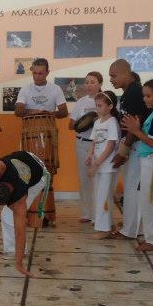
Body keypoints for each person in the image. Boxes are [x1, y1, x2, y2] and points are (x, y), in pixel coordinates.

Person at [0, 151, 49, 277]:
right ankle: (12, 249)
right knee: (7, 216)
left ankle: (13, 251)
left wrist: (19, 264)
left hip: (40, 175)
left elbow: (20, 233)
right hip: (26, 159)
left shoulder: (18, 202)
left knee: (7, 216)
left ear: (8, 202)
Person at [121, 79, 153, 252]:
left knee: (148, 199)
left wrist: (135, 130)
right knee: (145, 198)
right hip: (149, 159)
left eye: (148, 96)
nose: (145, 99)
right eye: (144, 96)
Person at [15, 58, 68, 225]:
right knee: (31, 173)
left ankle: (47, 214)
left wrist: (50, 113)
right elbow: (18, 110)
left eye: (41, 73)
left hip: (48, 135)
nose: (37, 76)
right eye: (35, 73)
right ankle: (32, 214)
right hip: (30, 136)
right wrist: (34, 111)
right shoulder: (26, 89)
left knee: (47, 173)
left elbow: (64, 111)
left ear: (47, 72)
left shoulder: (55, 89)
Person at [108, 60, 149, 240]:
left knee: (132, 188)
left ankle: (130, 230)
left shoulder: (135, 92)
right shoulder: (127, 93)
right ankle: (136, 227)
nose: (111, 80)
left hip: (137, 145)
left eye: (114, 76)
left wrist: (123, 152)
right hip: (131, 144)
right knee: (133, 187)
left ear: (126, 73)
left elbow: (135, 124)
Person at [68, 71, 102, 223]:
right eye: (87, 82)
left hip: (99, 145)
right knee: (84, 179)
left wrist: (96, 120)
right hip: (82, 143)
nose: (89, 85)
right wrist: (83, 122)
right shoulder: (81, 102)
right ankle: (86, 213)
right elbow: (71, 125)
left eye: (93, 82)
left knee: (98, 180)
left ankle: (98, 215)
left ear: (100, 84)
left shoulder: (105, 99)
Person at [86, 91, 121, 237]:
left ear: (110, 106)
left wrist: (97, 163)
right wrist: (90, 155)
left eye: (100, 105)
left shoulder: (112, 122)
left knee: (104, 196)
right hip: (98, 165)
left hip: (106, 166)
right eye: (96, 105)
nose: (97, 108)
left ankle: (105, 229)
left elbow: (110, 146)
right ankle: (108, 224)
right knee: (99, 195)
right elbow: (94, 142)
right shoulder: (97, 122)